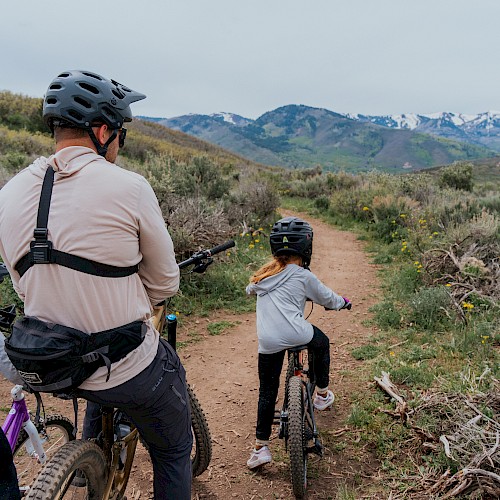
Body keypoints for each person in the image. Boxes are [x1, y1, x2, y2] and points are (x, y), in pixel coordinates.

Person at [0, 70, 192, 498]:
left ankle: (89, 468)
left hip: (46, 363)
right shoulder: (131, 188)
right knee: (175, 448)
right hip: (123, 366)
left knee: (96, 383)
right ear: (103, 131)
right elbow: (164, 281)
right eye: (120, 133)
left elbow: (21, 286)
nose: (120, 145)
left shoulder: (8, 194)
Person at [246, 216, 351, 469]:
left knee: (267, 390)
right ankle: (322, 395)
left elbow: (250, 289)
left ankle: (261, 447)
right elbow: (328, 298)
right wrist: (343, 302)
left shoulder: (262, 276)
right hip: (297, 333)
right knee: (321, 342)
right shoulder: (303, 276)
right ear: (306, 248)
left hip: (268, 340)